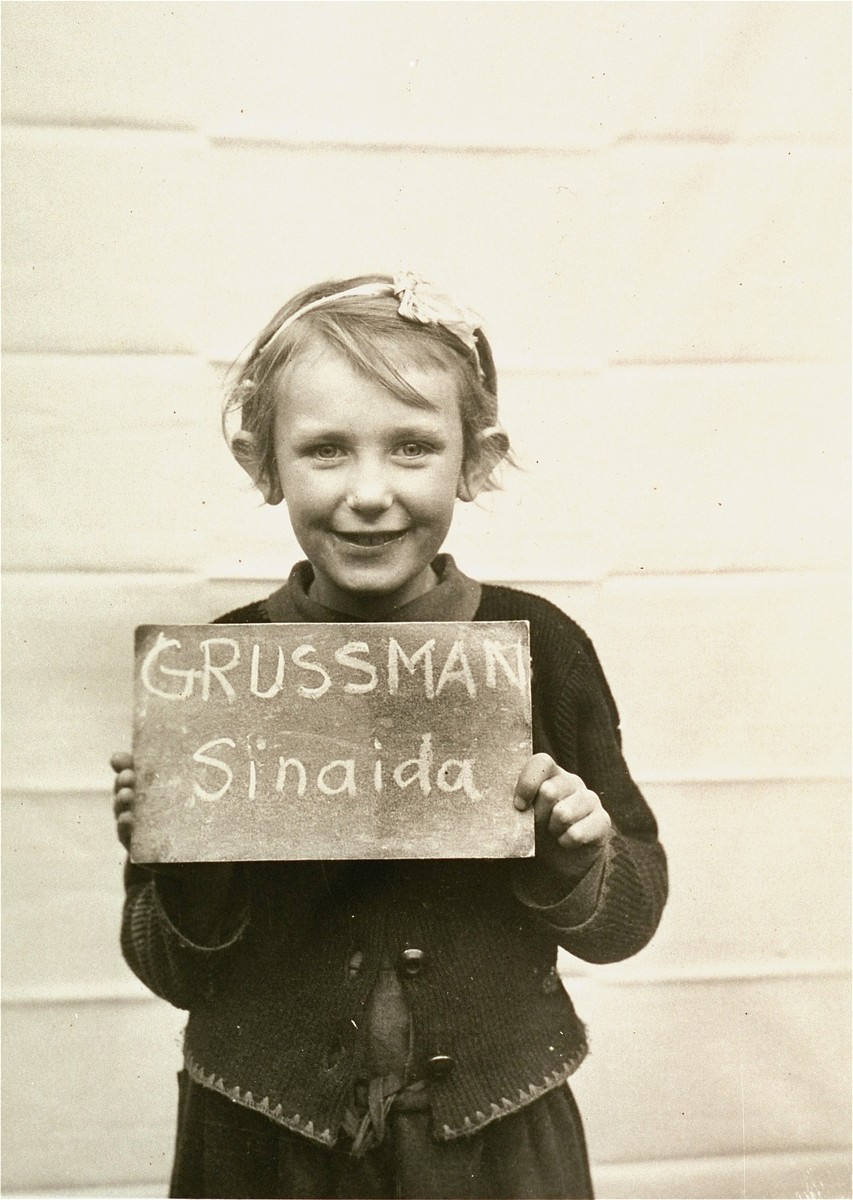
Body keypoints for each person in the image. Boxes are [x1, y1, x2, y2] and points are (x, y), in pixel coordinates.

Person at [112, 272, 668, 1199]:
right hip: (262, 1138)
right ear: (262, 464)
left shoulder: (543, 648)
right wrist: (183, 861)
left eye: (412, 447)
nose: (368, 493)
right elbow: (170, 968)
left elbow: (629, 917)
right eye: (325, 450)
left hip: (492, 1137)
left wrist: (575, 860)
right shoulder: (215, 673)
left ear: (474, 460)